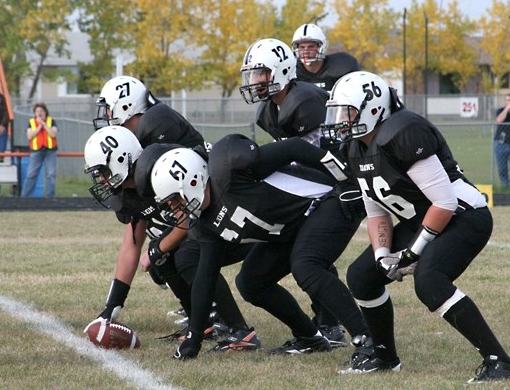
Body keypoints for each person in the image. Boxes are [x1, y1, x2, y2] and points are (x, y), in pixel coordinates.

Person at [321, 71, 510, 383]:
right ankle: (385, 358)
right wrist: (382, 254)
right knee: (361, 275)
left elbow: (444, 203)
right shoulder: (356, 148)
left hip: (465, 216)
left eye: (347, 111)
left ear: (372, 108)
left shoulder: (402, 132)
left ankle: (502, 364)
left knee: (429, 280)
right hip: (424, 219)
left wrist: (412, 255)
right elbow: (376, 210)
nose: (340, 120)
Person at [140, 135, 371, 360]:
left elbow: (294, 147)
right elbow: (205, 277)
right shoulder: (203, 223)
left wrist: (345, 180)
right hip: (291, 227)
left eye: (175, 200)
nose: (176, 209)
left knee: (306, 265)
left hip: (327, 200)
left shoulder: (229, 165)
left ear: (193, 181)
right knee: (251, 283)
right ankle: (310, 337)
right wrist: (194, 338)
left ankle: (368, 341)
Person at [86, 76, 248, 346]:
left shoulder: (156, 137)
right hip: (189, 207)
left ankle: (231, 324)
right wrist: (112, 307)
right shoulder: (136, 165)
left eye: (110, 108)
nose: (103, 180)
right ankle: (202, 318)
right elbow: (131, 242)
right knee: (160, 255)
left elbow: (187, 192)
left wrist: (160, 246)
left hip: (214, 205)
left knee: (179, 253)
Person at [240, 37, 365, 346]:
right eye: (252, 75)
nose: (254, 81)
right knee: (267, 273)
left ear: (281, 72)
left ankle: (337, 326)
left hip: (339, 185)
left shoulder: (306, 101)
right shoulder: (269, 111)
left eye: (260, 74)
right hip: (311, 186)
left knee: (308, 260)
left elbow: (327, 155)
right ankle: (320, 328)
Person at [291, 23, 360, 91]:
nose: (306, 51)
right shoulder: (292, 71)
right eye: (302, 47)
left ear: (321, 47)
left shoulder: (342, 65)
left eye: (311, 47)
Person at [21, 102, 58, 197]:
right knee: (31, 175)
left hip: (50, 150)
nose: (39, 113)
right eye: (37, 111)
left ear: (45, 111)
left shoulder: (51, 121)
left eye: (41, 111)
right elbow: (30, 136)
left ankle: (50, 197)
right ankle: (25, 197)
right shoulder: (31, 122)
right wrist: (39, 126)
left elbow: (53, 134)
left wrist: (44, 125)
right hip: (36, 150)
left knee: (51, 174)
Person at [0, 80, 10, 163]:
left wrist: (3, 125)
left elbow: (6, 113)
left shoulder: (1, 98)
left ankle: (0, 155)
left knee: (2, 132)